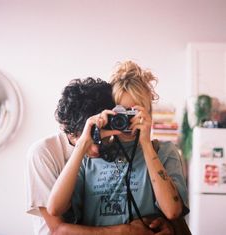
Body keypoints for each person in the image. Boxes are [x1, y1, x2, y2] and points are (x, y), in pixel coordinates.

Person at [47, 62, 189, 228]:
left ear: (148, 111)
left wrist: (146, 144)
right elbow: (54, 208)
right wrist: (83, 143)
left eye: (133, 113)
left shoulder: (164, 152)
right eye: (120, 112)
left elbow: (172, 211)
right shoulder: (92, 155)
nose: (126, 120)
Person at [26, 77, 174, 235]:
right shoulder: (43, 153)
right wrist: (127, 231)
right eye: (87, 137)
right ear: (67, 129)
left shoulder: (115, 147)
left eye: (101, 138)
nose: (97, 150)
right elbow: (58, 229)